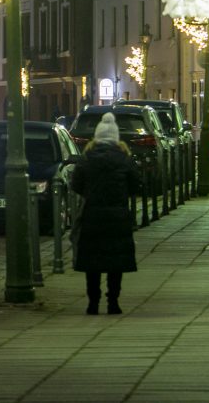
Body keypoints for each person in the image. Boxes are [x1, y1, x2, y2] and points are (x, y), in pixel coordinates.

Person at [70, 112, 139, 315]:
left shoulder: (87, 158)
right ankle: (113, 302)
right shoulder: (124, 158)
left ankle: (92, 303)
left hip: (92, 215)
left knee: (93, 262)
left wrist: (91, 194)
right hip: (118, 216)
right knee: (115, 262)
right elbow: (136, 185)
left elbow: (76, 184)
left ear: (97, 138)